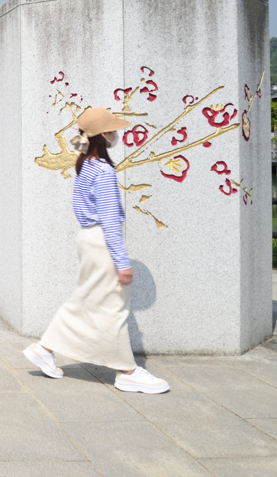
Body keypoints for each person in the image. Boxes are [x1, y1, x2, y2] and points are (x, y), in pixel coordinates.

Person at [23, 107, 169, 394]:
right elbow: (110, 220)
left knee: (87, 298)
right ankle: (127, 372)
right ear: (105, 134)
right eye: (113, 130)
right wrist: (122, 261)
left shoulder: (85, 164)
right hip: (102, 241)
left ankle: (44, 349)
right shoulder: (102, 170)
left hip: (88, 239)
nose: (117, 134)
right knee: (113, 307)